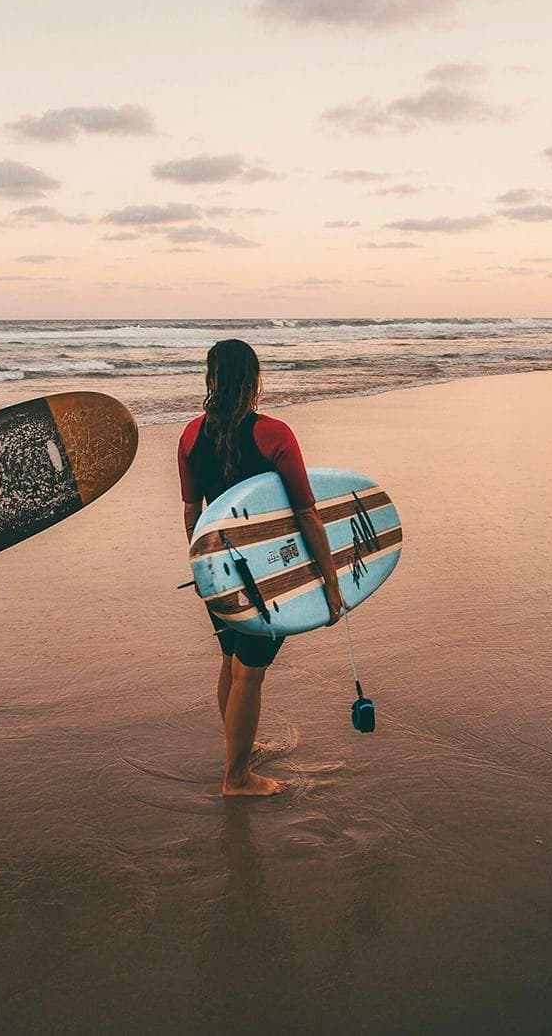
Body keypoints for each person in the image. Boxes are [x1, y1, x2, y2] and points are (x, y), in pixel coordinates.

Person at [178, 339, 345, 797]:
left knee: (232, 661)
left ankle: (239, 748)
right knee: (250, 671)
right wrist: (331, 584)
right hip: (269, 572)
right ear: (254, 380)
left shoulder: (191, 435)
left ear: (211, 378)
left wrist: (202, 569)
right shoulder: (274, 434)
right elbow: (307, 513)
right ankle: (237, 778)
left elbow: (194, 514)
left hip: (221, 568)